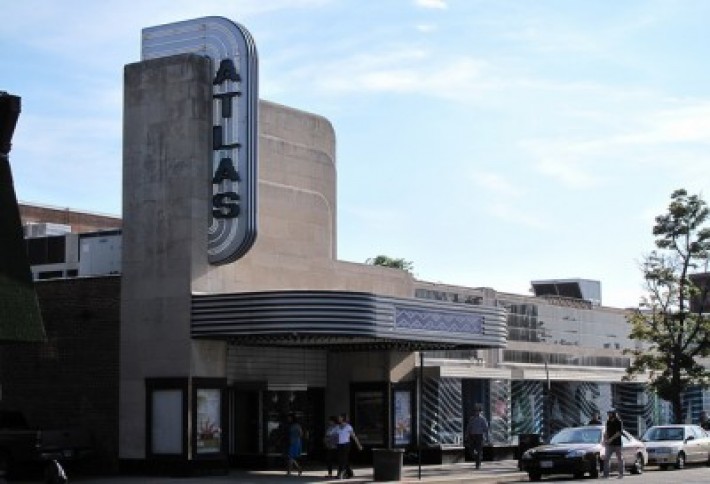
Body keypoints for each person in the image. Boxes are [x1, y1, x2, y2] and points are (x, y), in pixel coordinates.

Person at [335, 413, 362, 479]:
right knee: (342, 459)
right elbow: (335, 436)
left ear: (343, 418)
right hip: (339, 444)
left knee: (343, 459)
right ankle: (349, 472)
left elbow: (354, 436)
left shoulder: (348, 427)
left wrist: (359, 445)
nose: (338, 419)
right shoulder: (337, 427)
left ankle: (341, 473)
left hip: (346, 444)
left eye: (340, 417)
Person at [603, 408, 624, 479]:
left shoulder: (619, 421)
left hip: (617, 443)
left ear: (613, 414)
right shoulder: (608, 421)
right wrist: (605, 439)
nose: (608, 414)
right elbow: (606, 431)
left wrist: (611, 439)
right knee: (606, 459)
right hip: (609, 444)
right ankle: (606, 475)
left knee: (619, 458)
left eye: (610, 413)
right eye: (608, 413)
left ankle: (621, 474)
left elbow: (619, 433)